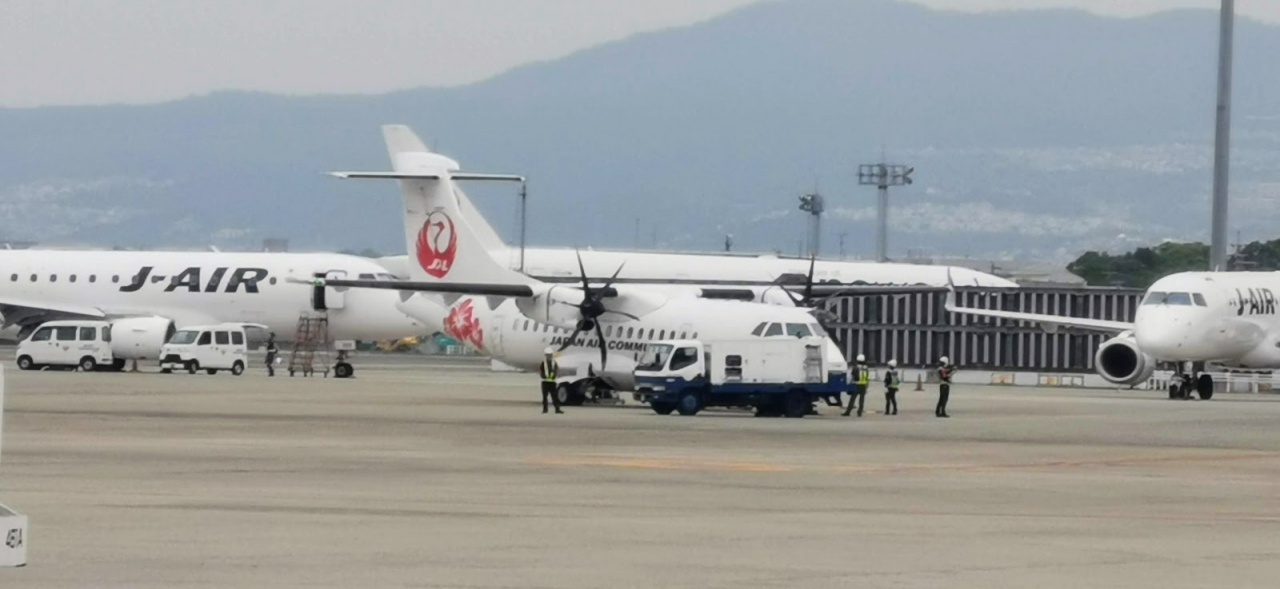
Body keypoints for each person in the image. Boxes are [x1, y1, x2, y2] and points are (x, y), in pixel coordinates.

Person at [539, 348, 564, 414]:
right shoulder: (543, 363)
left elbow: (556, 370)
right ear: (546, 355)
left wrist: (553, 376)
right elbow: (541, 371)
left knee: (554, 396)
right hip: (545, 382)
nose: (549, 356)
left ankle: (557, 409)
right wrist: (544, 376)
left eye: (550, 355)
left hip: (552, 382)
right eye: (548, 355)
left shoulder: (554, 363)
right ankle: (545, 409)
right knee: (545, 397)